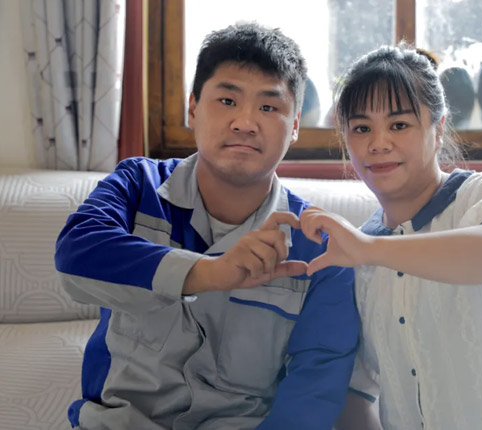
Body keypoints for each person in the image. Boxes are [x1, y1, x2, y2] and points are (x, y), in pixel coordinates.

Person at [55, 23, 358, 430]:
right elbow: (75, 254)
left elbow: (313, 391)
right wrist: (210, 273)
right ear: (193, 108)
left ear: (296, 125)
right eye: (227, 100)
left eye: (269, 108)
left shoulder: (318, 247)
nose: (245, 122)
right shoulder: (138, 185)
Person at [300, 44, 482, 430]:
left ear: (437, 130)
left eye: (399, 125)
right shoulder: (358, 256)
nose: (378, 143)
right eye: (361, 128)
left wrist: (370, 249)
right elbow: (357, 391)